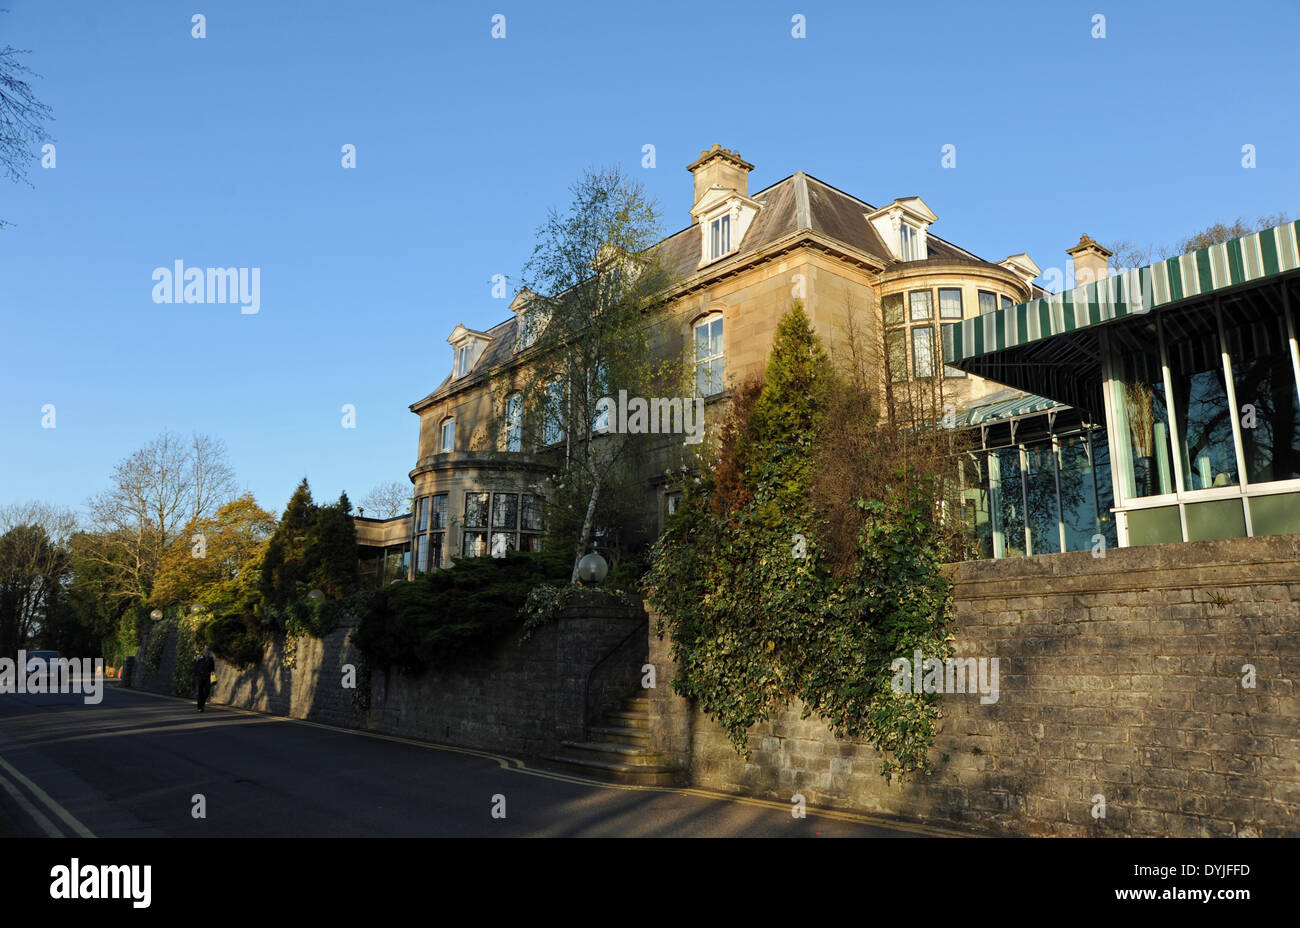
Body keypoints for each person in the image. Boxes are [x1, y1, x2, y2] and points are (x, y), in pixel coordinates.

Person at [194, 647, 216, 712]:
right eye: (205, 652)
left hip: (208, 677)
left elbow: (212, 668)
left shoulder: (211, 659)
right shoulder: (200, 658)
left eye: (208, 652)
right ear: (203, 653)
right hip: (200, 677)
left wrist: (212, 674)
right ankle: (199, 707)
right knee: (200, 692)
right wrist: (198, 674)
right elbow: (196, 667)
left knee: (207, 691)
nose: (207, 653)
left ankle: (202, 703)